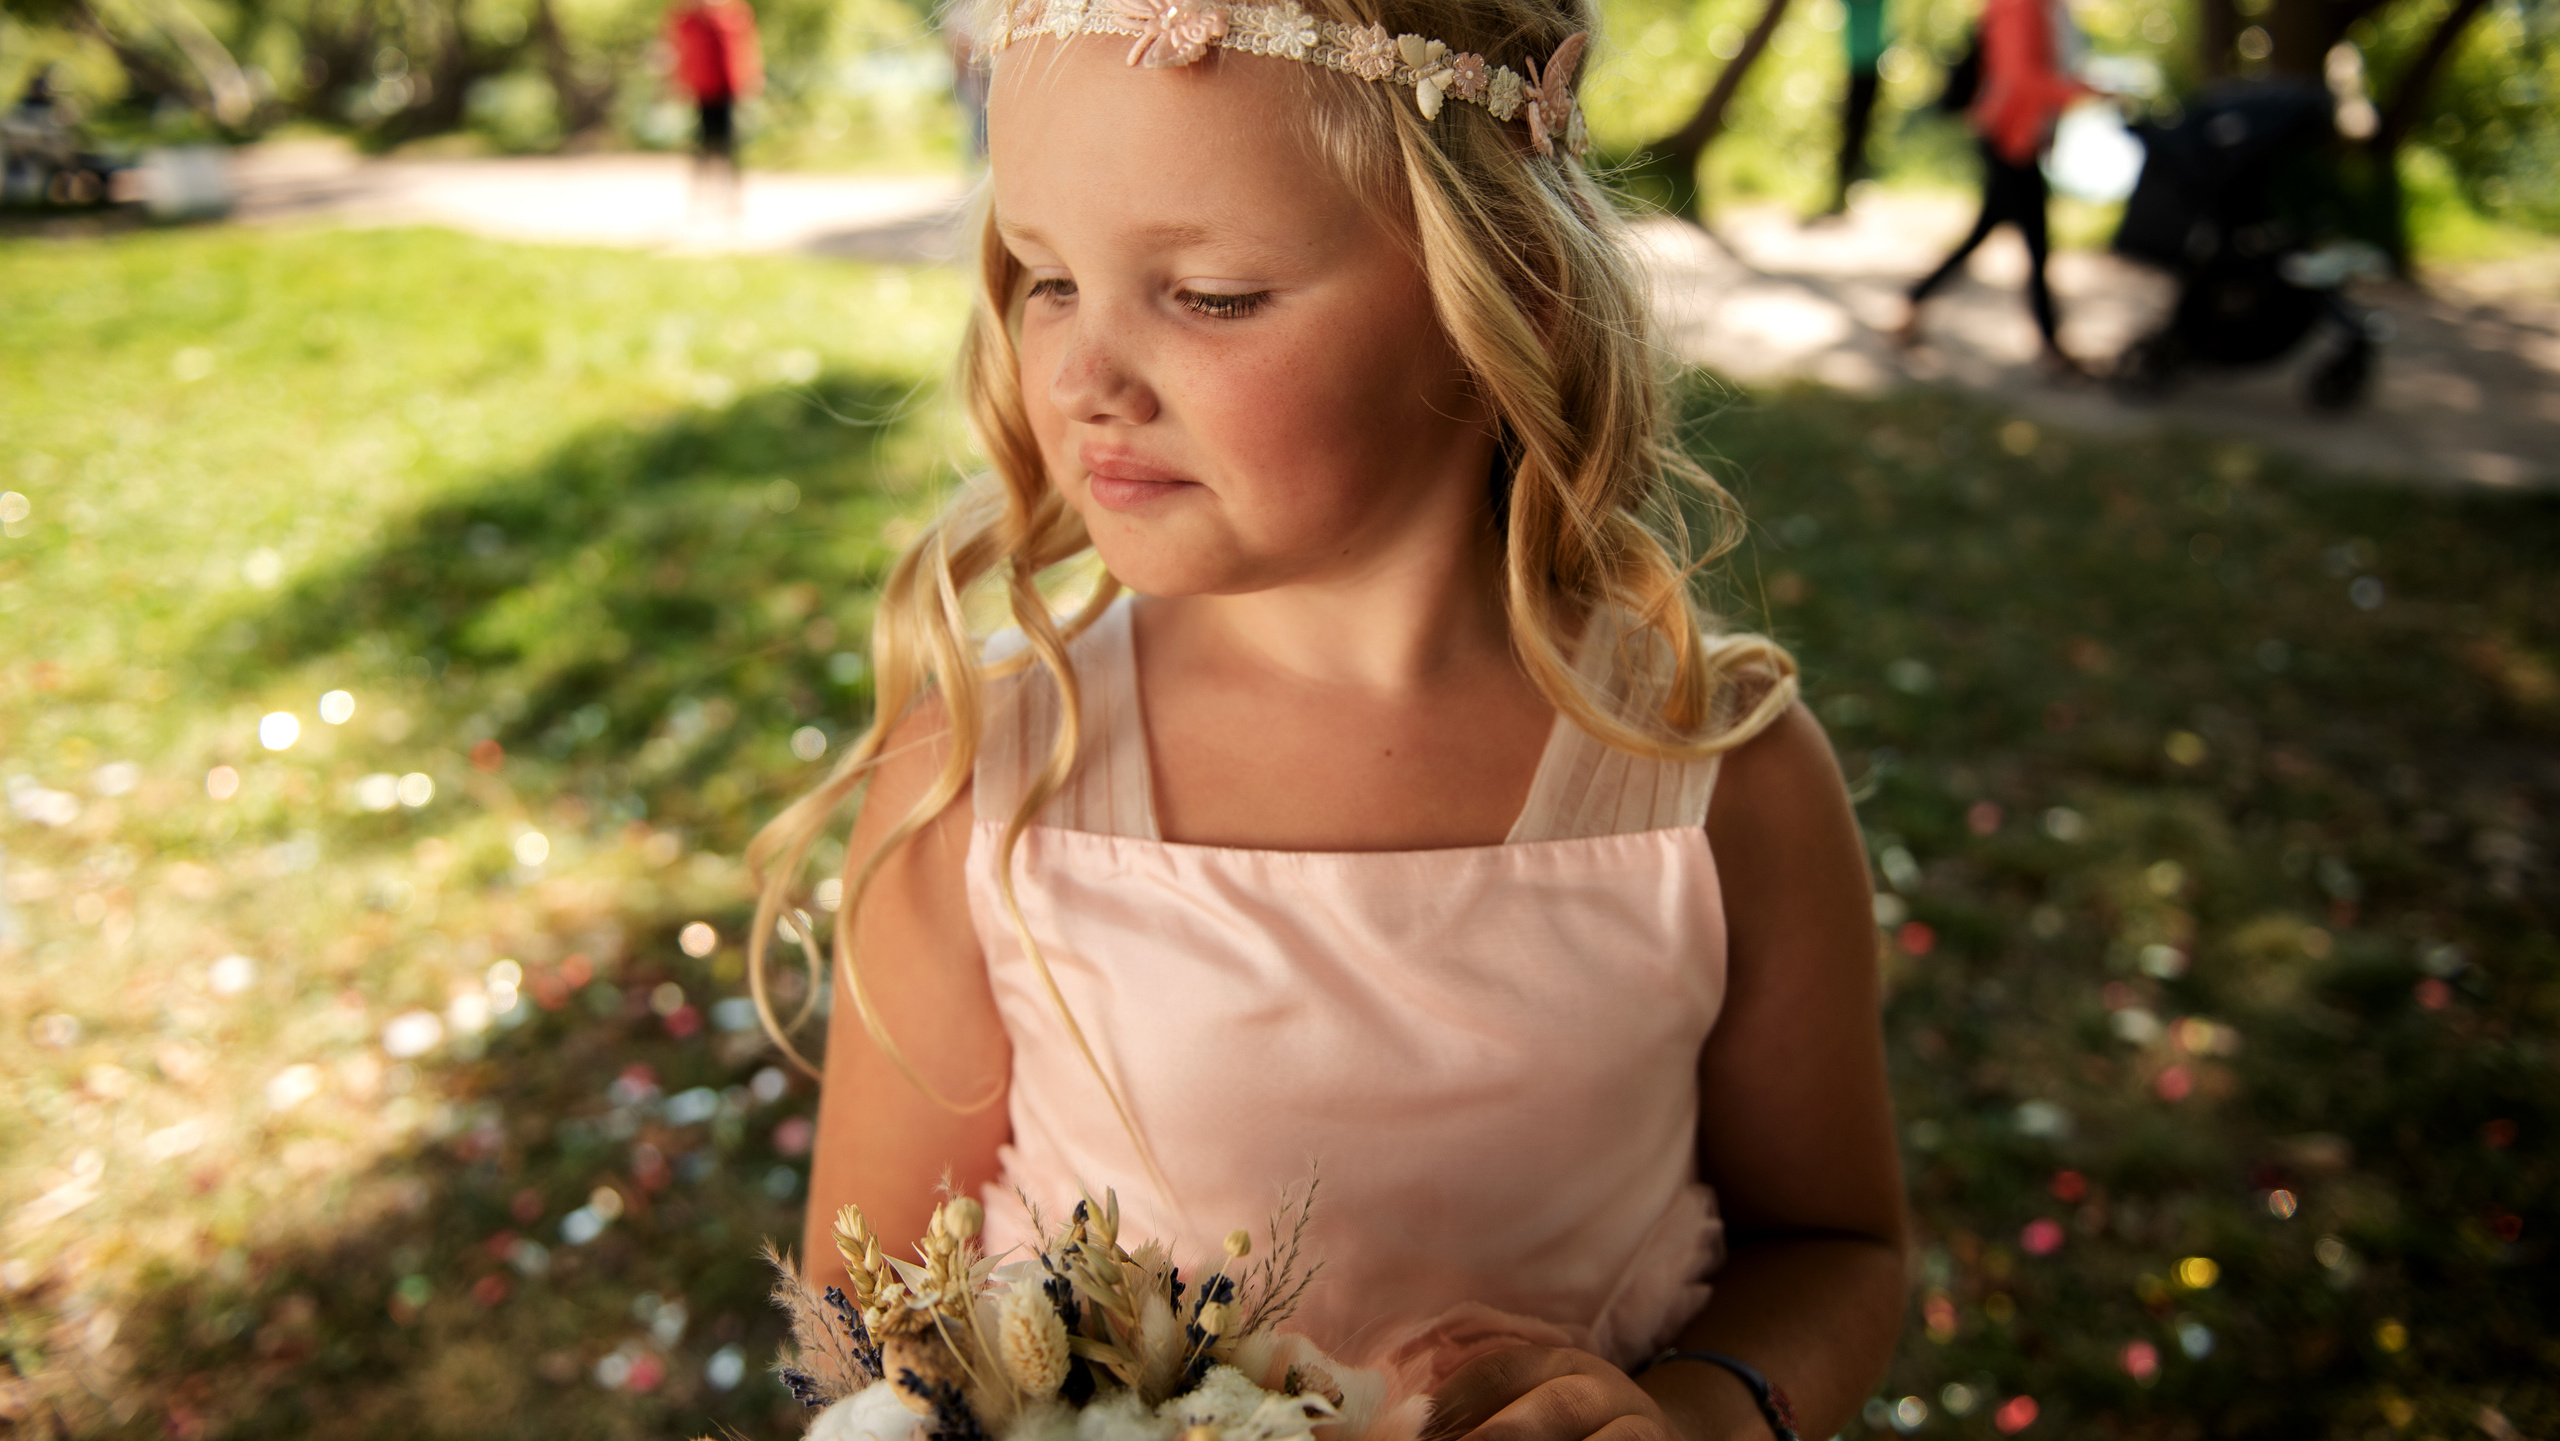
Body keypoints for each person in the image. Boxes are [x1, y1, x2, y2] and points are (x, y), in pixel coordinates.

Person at [752, 0, 1909, 1437]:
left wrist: (1698, 1411)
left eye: (1212, 295)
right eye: (1046, 279)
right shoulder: (990, 769)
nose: (1080, 380)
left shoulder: (1718, 780)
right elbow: (862, 1320)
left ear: (1508, 288)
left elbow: (1835, 1246)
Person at [1895, 0, 2092, 373]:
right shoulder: (2018, 6)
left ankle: (1913, 303)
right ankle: (2053, 349)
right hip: (2007, 137)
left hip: (2018, 137)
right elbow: (2020, 77)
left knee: (2001, 234)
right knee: (2033, 241)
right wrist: (2080, 93)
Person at [664, 0, 761, 220]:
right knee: (703, 144)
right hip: (702, 90)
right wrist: (677, 82)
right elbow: (677, 49)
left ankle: (732, 196)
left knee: (729, 144)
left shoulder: (734, 14)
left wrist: (750, 77)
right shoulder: (689, 19)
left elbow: (745, 49)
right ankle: (701, 197)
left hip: (727, 89)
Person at [1818, 0, 1891, 218]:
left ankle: (1849, 184)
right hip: (1854, 70)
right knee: (1849, 129)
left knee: (1860, 130)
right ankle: (1841, 186)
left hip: (1873, 70)